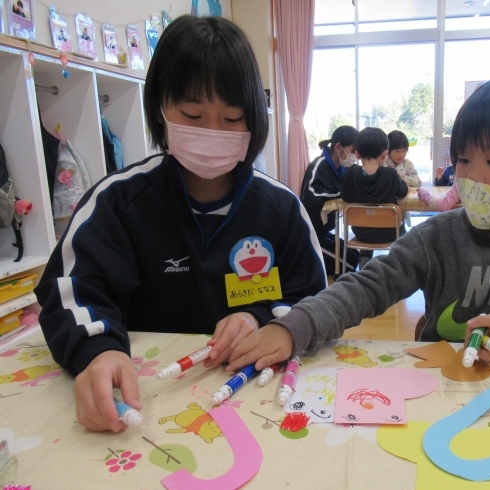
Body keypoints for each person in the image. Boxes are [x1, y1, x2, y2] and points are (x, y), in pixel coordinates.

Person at [34, 15, 326, 433]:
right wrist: (98, 351)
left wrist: (261, 316)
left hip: (255, 402)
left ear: (254, 121)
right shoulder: (118, 202)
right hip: (150, 402)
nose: (212, 133)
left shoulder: (280, 209)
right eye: (192, 114)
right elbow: (71, 291)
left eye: (231, 120)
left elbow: (315, 301)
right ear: (161, 110)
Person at [223, 75, 490, 373]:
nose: (471, 178)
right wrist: (297, 324)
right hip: (442, 381)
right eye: (462, 160)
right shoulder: (437, 238)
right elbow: (366, 286)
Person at [341, 127, 408, 268]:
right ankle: (398, 267)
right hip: (390, 233)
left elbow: (345, 197)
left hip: (361, 232)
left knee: (368, 222)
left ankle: (365, 267)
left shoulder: (350, 174)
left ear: (357, 154)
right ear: (385, 154)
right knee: (404, 232)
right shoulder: (390, 175)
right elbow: (403, 191)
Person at [300, 125, 360, 275]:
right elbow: (311, 194)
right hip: (308, 232)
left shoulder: (343, 168)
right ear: (338, 147)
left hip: (322, 231)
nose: (355, 156)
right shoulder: (319, 164)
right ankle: (304, 261)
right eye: (353, 151)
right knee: (349, 264)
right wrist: (340, 193)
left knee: (355, 255)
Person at [384, 130, 421, 227]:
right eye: (397, 151)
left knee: (401, 231)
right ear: (388, 151)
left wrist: (402, 177)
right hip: (386, 207)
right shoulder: (383, 163)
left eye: (404, 150)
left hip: (403, 207)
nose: (401, 155)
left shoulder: (407, 164)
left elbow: (418, 182)